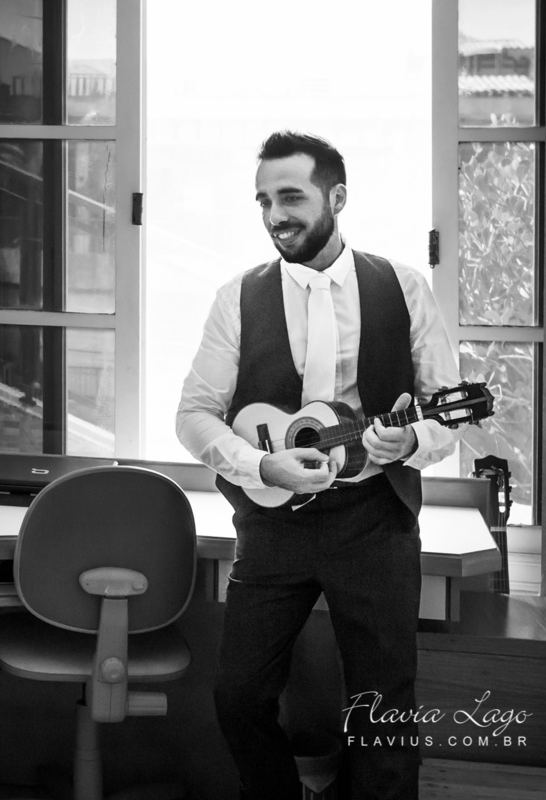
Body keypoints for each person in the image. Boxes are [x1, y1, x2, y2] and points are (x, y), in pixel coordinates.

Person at [176, 131, 462, 799]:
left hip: (374, 522)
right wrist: (260, 467)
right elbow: (194, 414)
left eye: (291, 197)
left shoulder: (404, 286)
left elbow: (452, 417)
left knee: (383, 710)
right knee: (237, 696)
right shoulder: (236, 297)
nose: (275, 215)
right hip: (272, 527)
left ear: (336, 196)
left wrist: (410, 442)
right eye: (264, 200)